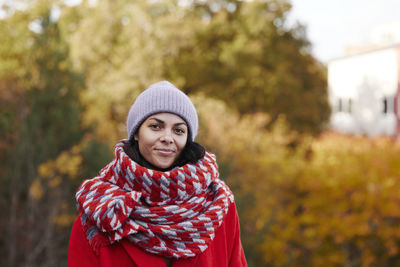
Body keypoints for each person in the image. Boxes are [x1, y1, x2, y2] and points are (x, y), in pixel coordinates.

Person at [67, 81, 247, 267]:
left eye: (178, 130)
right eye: (155, 126)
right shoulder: (101, 206)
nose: (167, 138)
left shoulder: (216, 202)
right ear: (136, 133)